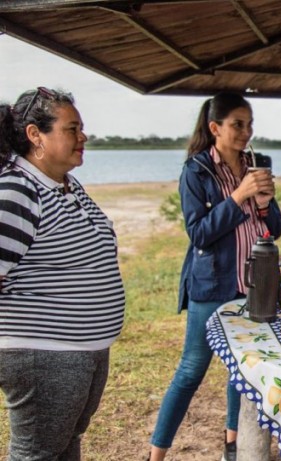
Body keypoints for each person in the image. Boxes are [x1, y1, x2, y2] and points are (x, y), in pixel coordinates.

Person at [148, 92, 281, 461]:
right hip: (211, 285)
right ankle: (156, 454)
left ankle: (233, 444)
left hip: (255, 285)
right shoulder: (196, 171)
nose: (246, 131)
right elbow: (199, 233)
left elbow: (275, 228)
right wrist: (239, 196)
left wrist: (265, 204)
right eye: (237, 124)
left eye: (249, 123)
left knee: (241, 370)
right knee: (192, 369)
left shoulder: (258, 164)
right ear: (215, 128)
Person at [0, 88, 125, 458]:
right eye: (72, 129)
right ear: (35, 135)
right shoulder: (17, 191)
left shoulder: (65, 185)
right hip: (44, 353)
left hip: (80, 351)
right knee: (36, 453)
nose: (83, 137)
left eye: (81, 128)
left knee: (64, 446)